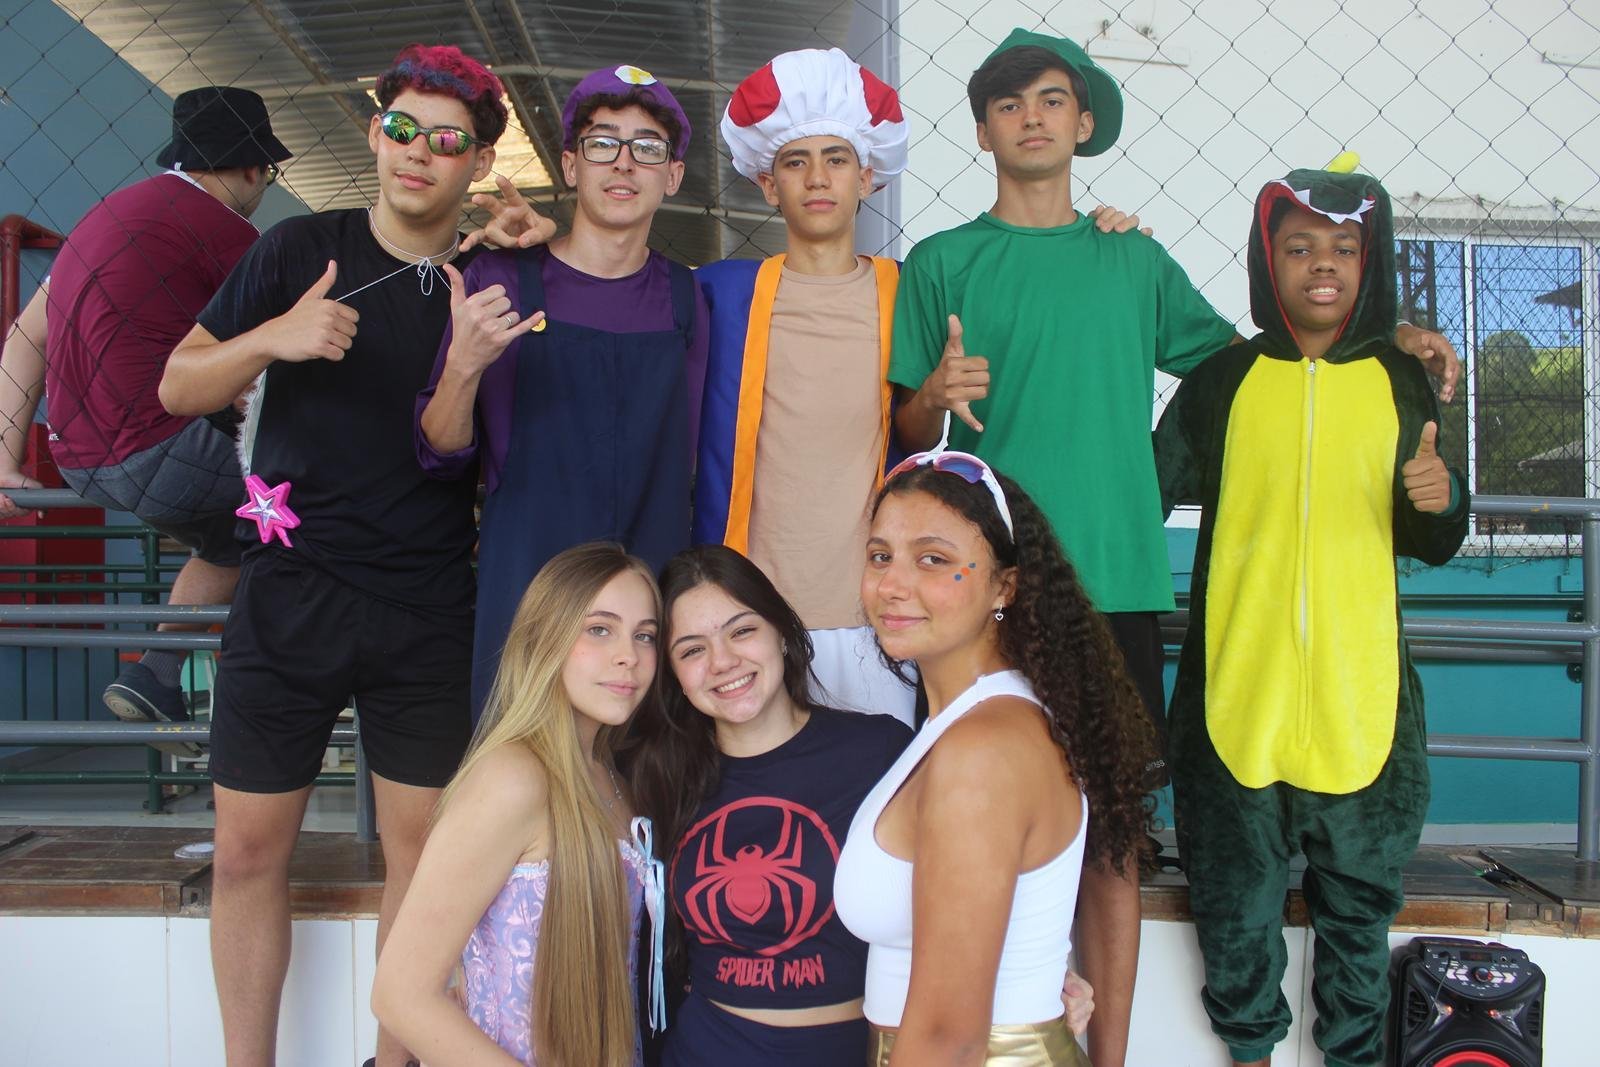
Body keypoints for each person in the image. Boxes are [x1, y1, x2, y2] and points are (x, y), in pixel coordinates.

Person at [885, 28, 1464, 1063]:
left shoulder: (1135, 257)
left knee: (1112, 835)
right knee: (963, 814)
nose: (1030, 117)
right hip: (980, 584)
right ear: (979, 129)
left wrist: (1394, 340)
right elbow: (901, 428)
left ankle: (1103, 1053)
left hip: (1112, 583)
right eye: (1008, 103)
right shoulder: (939, 261)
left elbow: (1260, 363)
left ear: (1083, 122)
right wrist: (934, 394)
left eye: (1051, 99)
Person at [157, 44, 506, 1067]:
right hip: (289, 591)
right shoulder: (298, 249)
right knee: (245, 849)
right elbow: (179, 383)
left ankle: (393, 1061)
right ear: (373, 132)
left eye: (446, 141)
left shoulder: (490, 281)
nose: (418, 153)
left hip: (427, 600)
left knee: (423, 859)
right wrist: (274, 337)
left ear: (479, 163)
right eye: (401, 128)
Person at [1153, 166, 1467, 1067]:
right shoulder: (1222, 381)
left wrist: (1441, 498)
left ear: (1370, 262)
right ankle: (1250, 1053)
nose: (1321, 264)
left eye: (1342, 247)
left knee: (1359, 917)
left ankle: (1353, 1057)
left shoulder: (1403, 381)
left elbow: (1435, 535)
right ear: (1268, 260)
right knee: (1232, 908)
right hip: (1234, 703)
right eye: (1298, 247)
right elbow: (1143, 489)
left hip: (1361, 707)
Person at [624, 543, 1094, 1066]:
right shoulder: (658, 777)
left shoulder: (882, 752)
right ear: (673, 673)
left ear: (781, 631)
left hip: (857, 1051)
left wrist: (1038, 981)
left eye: (742, 631)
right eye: (692, 650)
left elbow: (974, 884)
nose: (723, 662)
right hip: (705, 1050)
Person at [835, 439, 1155, 1065]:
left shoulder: (982, 749)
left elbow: (949, 1039)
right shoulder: (969, 722)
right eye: (880, 556)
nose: (892, 584)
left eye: (933, 559)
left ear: (1005, 586)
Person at [0, 86, 291, 751]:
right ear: (254, 168)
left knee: (231, 537)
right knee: (316, 496)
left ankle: (155, 675)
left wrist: (4, 461)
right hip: (163, 449)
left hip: (78, 460)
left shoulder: (103, 218)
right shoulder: (229, 233)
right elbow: (274, 357)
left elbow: (23, 337)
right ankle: (272, 696)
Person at [415, 63, 708, 718]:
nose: (624, 163)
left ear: (673, 175)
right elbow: (439, 451)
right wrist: (463, 366)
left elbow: (688, 452)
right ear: (571, 166)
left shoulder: (688, 296)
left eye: (647, 147)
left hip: (647, 584)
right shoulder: (498, 278)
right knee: (523, 753)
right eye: (603, 143)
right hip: (529, 578)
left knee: (638, 761)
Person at [372, 542, 663, 1067]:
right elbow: (400, 995)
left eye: (644, 635)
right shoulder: (510, 777)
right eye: (600, 629)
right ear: (545, 638)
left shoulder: (614, 780)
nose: (629, 655)